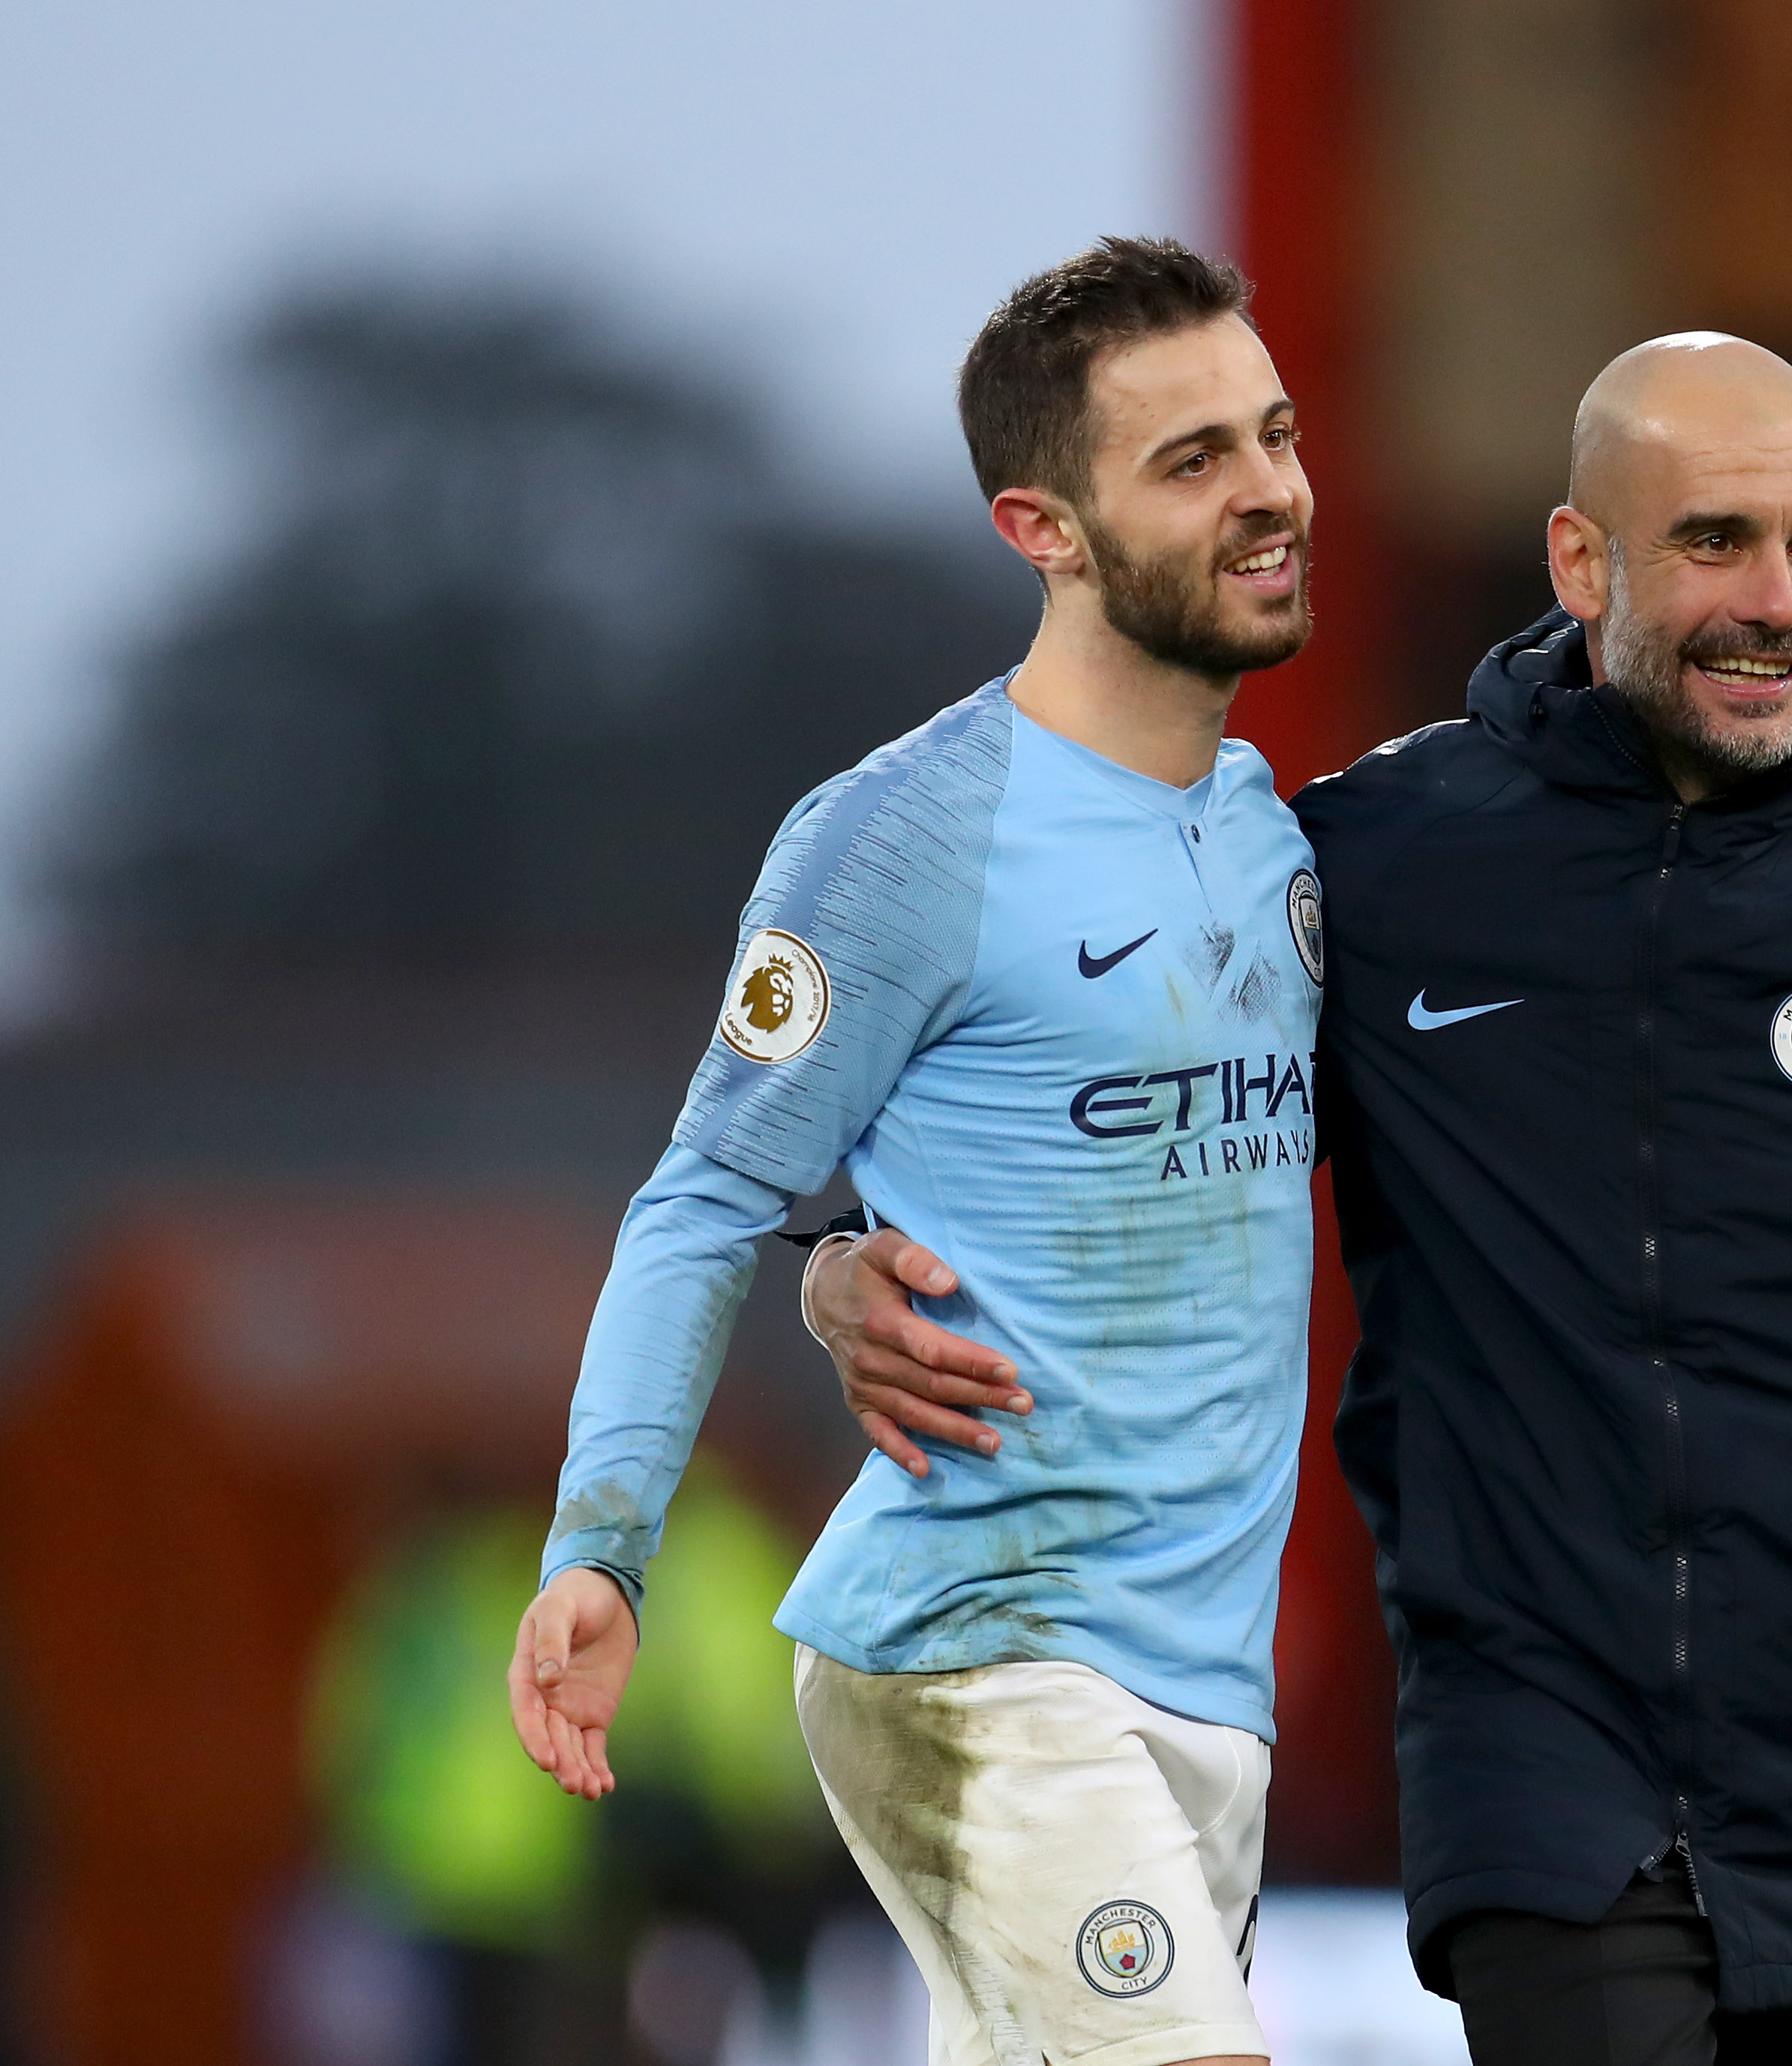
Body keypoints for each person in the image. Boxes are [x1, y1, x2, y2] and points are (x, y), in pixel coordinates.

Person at [812, 332, 1792, 2064]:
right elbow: (1075, 1077)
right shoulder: (1374, 865)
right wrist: (837, 1247)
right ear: (1579, 561)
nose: (1777, 600)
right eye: (1714, 543)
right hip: (1543, 1775)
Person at [506, 235, 1328, 2066]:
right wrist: (602, 1547)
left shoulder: (1279, 838)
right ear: (1039, 527)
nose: (1269, 491)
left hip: (1206, 1683)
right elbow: (707, 1190)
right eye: (1191, 460)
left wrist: (838, 1269)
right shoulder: (897, 841)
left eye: (1270, 435)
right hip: (984, 1649)